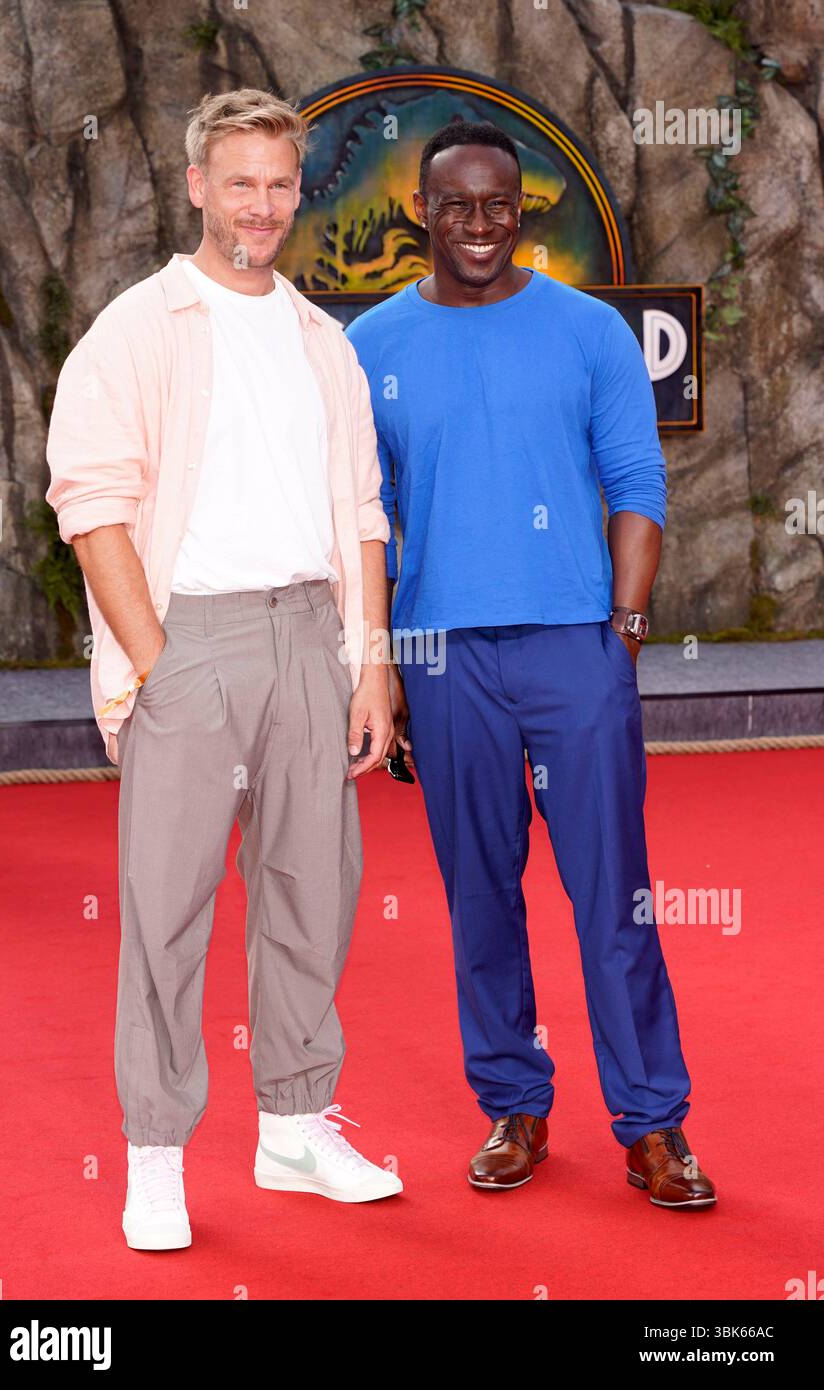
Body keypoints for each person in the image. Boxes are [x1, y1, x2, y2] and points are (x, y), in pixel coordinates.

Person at [46, 88, 403, 1250]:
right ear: (197, 184)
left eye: (280, 184)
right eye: (239, 182)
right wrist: (155, 661)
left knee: (315, 890)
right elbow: (92, 507)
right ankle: (155, 1155)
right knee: (167, 913)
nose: (261, 205)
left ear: (301, 191)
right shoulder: (138, 327)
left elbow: (361, 511)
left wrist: (370, 662)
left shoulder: (322, 342)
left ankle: (296, 1127)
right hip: (188, 642)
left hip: (312, 633)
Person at [345, 117, 716, 1210]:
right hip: (441, 654)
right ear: (421, 208)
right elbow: (369, 518)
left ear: (522, 209)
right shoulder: (369, 347)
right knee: (480, 898)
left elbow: (638, 486)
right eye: (454, 203)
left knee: (617, 899)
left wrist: (624, 638)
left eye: (497, 203)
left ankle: (655, 1124)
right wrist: (389, 666)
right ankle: (514, 1105)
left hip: (575, 650)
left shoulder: (590, 332)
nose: (476, 223)